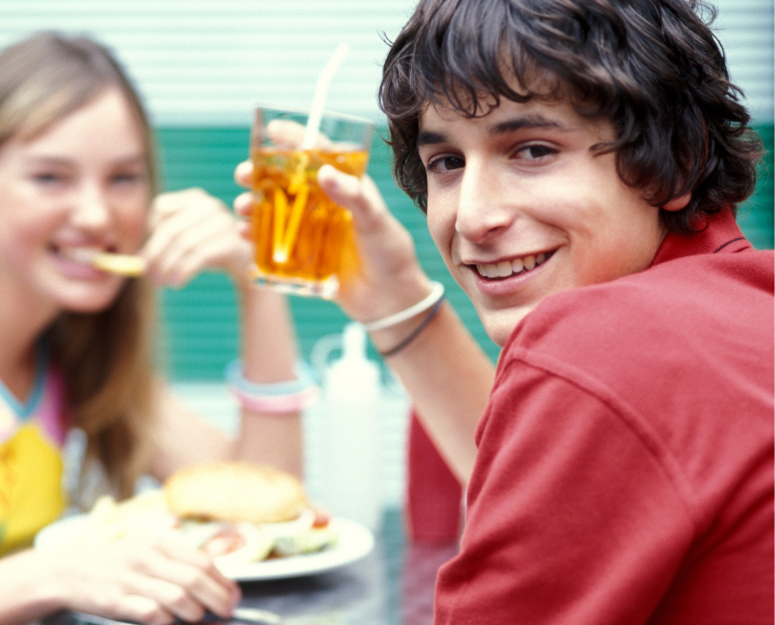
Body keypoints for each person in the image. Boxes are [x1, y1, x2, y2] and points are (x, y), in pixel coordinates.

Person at [224, 0, 769, 620]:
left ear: (681, 157)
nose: (474, 219)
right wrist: (394, 298)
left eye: (533, 150)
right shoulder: (741, 309)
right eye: (447, 163)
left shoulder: (609, 341)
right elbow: (566, 508)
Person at [0, 33, 312, 625]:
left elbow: (264, 499)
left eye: (123, 179)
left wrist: (255, 282)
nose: (95, 216)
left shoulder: (68, 338)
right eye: (51, 178)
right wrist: (61, 572)